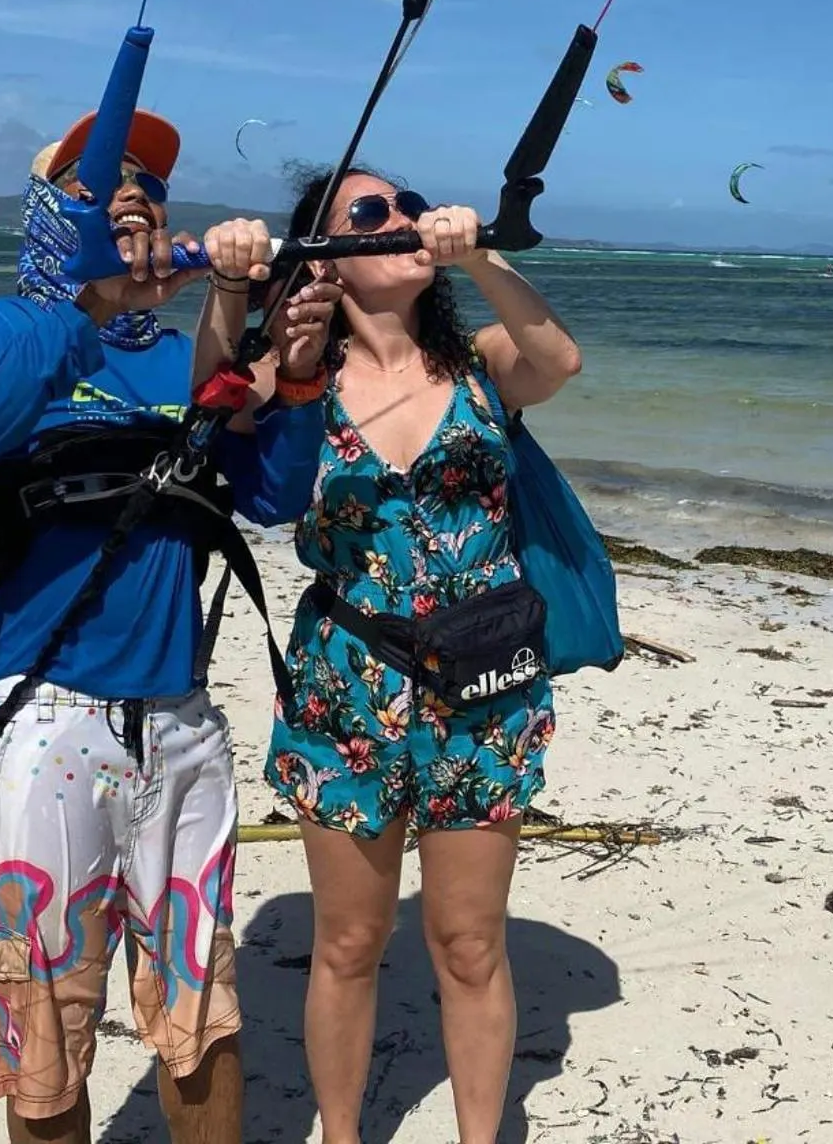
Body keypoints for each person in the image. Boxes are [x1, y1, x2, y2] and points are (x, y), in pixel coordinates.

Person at [0, 108, 343, 1144]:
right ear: (49, 218)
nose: (134, 190)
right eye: (98, 178)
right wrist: (84, 301)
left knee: (201, 1008)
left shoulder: (191, 356)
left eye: (149, 181)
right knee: (43, 1019)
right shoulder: (2, 329)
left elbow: (272, 495)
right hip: (39, 714)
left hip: (179, 719)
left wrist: (284, 365)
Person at [264, 165, 584, 1144]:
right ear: (325, 250)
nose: (401, 219)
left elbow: (557, 359)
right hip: (343, 687)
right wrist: (276, 336)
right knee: (350, 942)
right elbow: (254, 465)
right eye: (371, 212)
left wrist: (479, 253)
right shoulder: (296, 381)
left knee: (469, 944)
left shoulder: (480, 364)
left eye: (408, 205)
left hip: (482, 689)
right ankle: (343, 1134)